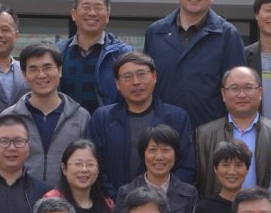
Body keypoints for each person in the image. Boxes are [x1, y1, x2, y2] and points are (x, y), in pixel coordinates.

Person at [144, 0, 247, 130]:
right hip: (162, 134)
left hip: (211, 135)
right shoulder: (155, 33)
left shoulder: (228, 35)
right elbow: (147, 87)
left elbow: (237, 93)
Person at [84, 52, 196, 196]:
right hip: (113, 203)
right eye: (127, 77)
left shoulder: (177, 117)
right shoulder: (102, 118)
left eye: (142, 74)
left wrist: (160, 200)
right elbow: (93, 165)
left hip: (165, 203)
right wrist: (116, 200)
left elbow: (187, 167)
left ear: (154, 76)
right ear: (117, 83)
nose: (136, 82)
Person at [0, 42, 91, 186]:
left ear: (59, 70)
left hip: (65, 198)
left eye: (47, 67)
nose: (41, 75)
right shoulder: (9, 117)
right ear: (24, 75)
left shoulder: (80, 117)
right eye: (33, 69)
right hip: (20, 196)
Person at [193, 66, 271, 198]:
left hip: (265, 209)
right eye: (234, 88)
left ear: (260, 92)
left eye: (248, 87)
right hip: (218, 209)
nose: (242, 95)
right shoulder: (203, 135)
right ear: (223, 94)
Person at [113, 124, 199, 213]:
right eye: (152, 150)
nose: (159, 157)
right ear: (143, 154)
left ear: (176, 154)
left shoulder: (189, 193)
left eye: (165, 150)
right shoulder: (126, 193)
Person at [57, 0, 135, 113]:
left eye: (98, 8)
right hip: (67, 123)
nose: (92, 13)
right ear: (74, 14)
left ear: (108, 15)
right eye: (86, 7)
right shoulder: (58, 52)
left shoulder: (123, 54)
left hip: (109, 123)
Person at [44, 140, 112, 213]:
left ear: (98, 170)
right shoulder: (51, 202)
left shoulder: (108, 206)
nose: (84, 169)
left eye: (90, 164)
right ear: (64, 169)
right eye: (78, 164)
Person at [193, 141, 251, 213]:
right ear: (215, 169)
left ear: (247, 169)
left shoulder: (257, 206)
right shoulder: (203, 209)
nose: (232, 172)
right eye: (225, 165)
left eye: (238, 165)